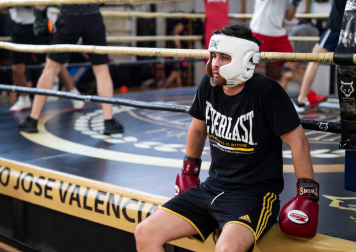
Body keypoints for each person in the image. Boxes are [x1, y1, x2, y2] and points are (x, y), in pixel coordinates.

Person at [134, 24, 319, 252]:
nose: (215, 64)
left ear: (244, 59)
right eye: (213, 56)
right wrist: (188, 172)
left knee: (226, 250)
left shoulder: (267, 92)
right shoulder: (209, 85)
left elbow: (298, 141)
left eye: (224, 57)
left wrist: (307, 195)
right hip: (213, 187)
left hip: (254, 195)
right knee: (145, 232)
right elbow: (198, 129)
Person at [18, 4, 124, 135]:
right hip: (92, 19)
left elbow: (41, 4)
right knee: (102, 70)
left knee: (50, 70)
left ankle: (33, 119)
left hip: (69, 18)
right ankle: (109, 122)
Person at [0, 6, 83, 113]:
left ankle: (74, 94)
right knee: (17, 67)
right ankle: (23, 99)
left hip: (43, 23)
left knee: (54, 63)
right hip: (20, 27)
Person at [249, 0, 326, 104]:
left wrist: (295, 3)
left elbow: (288, 17)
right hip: (259, 31)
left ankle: (311, 97)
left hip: (278, 34)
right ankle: (240, 96)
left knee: (294, 65)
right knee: (249, 64)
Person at [293, 0, 347, 112]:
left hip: (337, 26)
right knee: (354, 61)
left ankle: (301, 101)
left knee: (314, 59)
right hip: (351, 28)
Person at [280, 18, 319, 90]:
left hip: (296, 59)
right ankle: (308, 95)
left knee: (285, 77)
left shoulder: (296, 29)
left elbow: (289, 43)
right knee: (304, 77)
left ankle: (281, 97)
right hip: (308, 61)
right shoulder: (315, 30)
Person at [160, 19, 185, 90]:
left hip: (173, 56)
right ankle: (163, 88)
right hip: (176, 57)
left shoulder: (172, 34)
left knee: (178, 73)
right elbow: (178, 47)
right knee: (175, 73)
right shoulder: (175, 35)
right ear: (176, 26)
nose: (182, 27)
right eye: (181, 25)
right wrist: (182, 56)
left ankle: (180, 88)